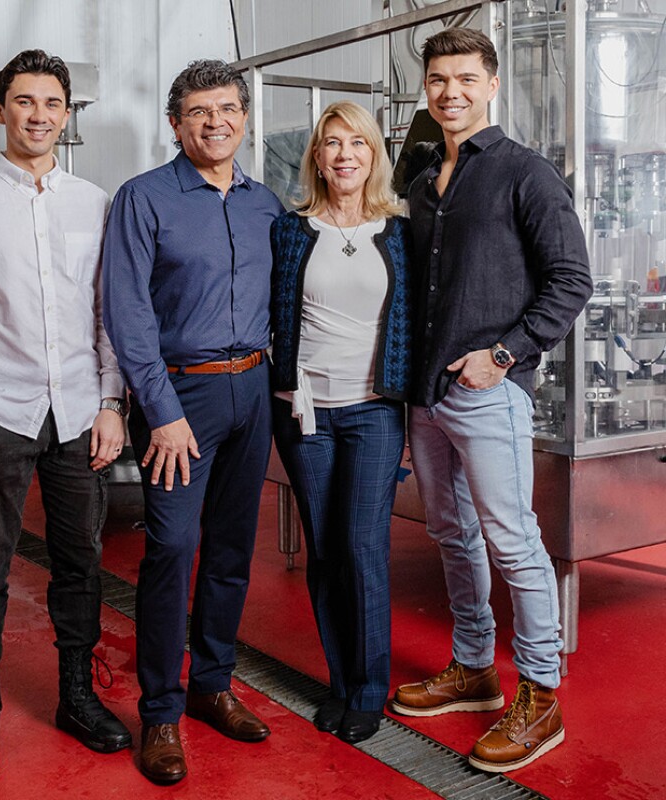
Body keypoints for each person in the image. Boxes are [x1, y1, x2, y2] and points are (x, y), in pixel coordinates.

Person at [0, 50, 132, 778]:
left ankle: (77, 694)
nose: (38, 115)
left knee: (81, 563)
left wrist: (110, 402)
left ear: (67, 114)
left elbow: (111, 313)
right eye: (23, 101)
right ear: (0, 110)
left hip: (80, 412)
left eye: (51, 103)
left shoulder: (96, 203)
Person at [388, 28, 593, 773]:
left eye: (465, 79)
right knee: (453, 535)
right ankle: (473, 668)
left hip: (486, 391)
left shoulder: (524, 174)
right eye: (439, 80)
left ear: (491, 83)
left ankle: (541, 695)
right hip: (429, 395)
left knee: (513, 541)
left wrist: (503, 355)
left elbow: (571, 280)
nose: (451, 92)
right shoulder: (421, 185)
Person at [102, 59, 283, 784]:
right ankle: (160, 713)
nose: (216, 122)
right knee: (173, 548)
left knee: (234, 550)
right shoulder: (143, 199)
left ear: (244, 117)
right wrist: (162, 412)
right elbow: (128, 313)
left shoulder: (265, 203)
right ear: (175, 123)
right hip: (182, 398)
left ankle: (213, 686)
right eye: (200, 111)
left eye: (229, 109)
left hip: (255, 393)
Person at [271, 102, 412, 744]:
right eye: (331, 144)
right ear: (317, 158)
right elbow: (277, 315)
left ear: (373, 154)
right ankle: (340, 680)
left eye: (356, 142)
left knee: (362, 548)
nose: (343, 154)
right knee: (325, 550)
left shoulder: (400, 230)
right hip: (306, 415)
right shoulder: (292, 230)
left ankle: (368, 691)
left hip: (374, 412)